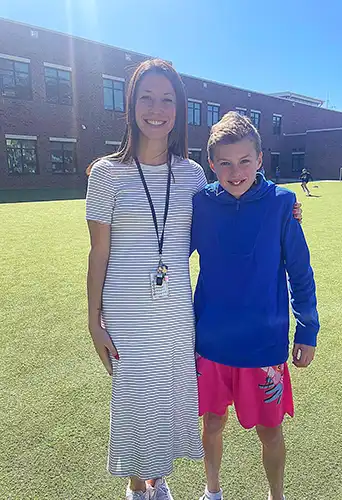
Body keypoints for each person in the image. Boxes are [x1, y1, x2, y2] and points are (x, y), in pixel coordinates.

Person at [86, 60, 302, 500]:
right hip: (128, 307)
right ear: (130, 103)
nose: (156, 108)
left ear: (179, 109)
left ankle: (160, 477)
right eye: (146, 97)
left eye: (168, 99)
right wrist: (94, 319)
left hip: (180, 310)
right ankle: (137, 483)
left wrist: (286, 205)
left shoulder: (190, 175)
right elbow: (99, 251)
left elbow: (236, 191)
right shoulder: (106, 174)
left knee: (168, 393)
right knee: (134, 395)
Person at [191, 112, 319, 500]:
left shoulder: (282, 204)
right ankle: (212, 490)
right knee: (213, 421)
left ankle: (276, 495)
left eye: (245, 160)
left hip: (264, 345)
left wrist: (308, 329)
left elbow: (300, 271)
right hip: (211, 342)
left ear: (260, 159)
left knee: (271, 429)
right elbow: (171, 257)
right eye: (225, 163)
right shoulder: (199, 204)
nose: (235, 172)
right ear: (211, 164)